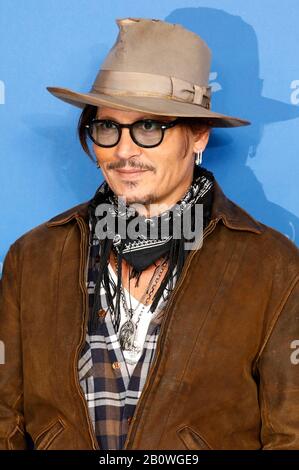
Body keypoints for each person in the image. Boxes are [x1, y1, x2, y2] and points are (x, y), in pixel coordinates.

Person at [0, 17, 298, 451]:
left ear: (199, 135)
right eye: (108, 127)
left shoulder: (270, 264)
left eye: (150, 127)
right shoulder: (34, 256)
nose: (124, 150)